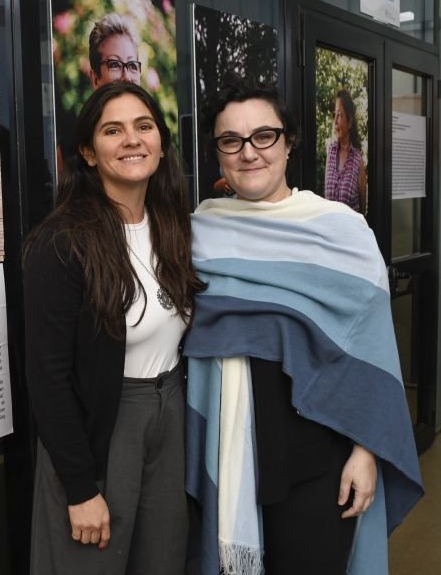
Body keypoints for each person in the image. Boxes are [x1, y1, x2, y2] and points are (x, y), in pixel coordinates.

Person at [184, 80, 423, 575]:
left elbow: (372, 350)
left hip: (320, 461)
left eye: (264, 136)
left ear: (289, 143)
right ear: (217, 153)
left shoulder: (342, 232)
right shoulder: (199, 233)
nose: (249, 152)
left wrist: (366, 451)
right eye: (231, 140)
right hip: (233, 453)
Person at [24, 82, 204, 574]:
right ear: (88, 152)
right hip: (100, 427)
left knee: (163, 560)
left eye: (144, 126)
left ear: (161, 143)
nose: (132, 139)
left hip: (169, 415)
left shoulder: (174, 228)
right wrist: (80, 489)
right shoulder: (62, 243)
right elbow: (47, 378)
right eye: (112, 130)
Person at [56, 14, 143, 175]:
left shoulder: (153, 138)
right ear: (95, 78)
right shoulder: (71, 144)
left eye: (132, 65)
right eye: (115, 64)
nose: (126, 77)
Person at [324, 89, 367, 214]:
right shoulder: (330, 153)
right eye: (335, 115)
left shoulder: (357, 159)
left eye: (340, 115)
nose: (335, 121)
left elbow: (362, 209)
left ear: (350, 122)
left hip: (350, 226)